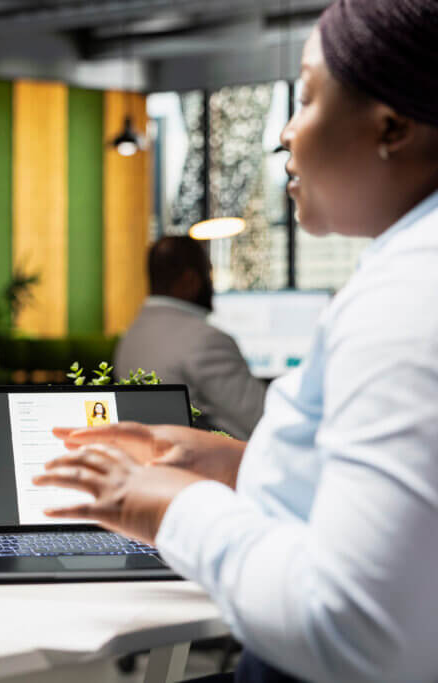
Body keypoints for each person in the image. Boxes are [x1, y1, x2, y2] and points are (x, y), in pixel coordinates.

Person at [34, 0, 438, 680]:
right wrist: (239, 464)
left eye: (306, 97)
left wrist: (166, 505)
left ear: (390, 128)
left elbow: (355, 629)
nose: (284, 133)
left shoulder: (407, 299)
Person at [114, 235, 266, 440]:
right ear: (190, 281)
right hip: (219, 464)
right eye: (208, 276)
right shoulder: (206, 341)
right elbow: (263, 417)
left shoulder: (131, 336)